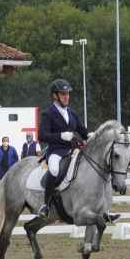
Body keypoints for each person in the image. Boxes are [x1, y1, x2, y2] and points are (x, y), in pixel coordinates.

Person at [37, 79, 91, 219]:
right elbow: (42, 136)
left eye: (67, 93)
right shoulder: (48, 113)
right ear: (55, 96)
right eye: (63, 94)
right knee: (54, 170)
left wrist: (91, 135)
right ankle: (46, 205)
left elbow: (82, 130)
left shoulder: (71, 112)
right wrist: (61, 136)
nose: (66, 96)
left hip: (73, 150)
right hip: (56, 151)